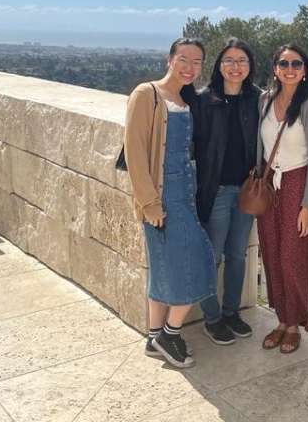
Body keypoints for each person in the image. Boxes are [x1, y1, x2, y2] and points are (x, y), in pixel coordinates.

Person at [123, 37, 216, 369]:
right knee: (201, 261)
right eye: (184, 60)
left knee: (163, 268)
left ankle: (153, 338)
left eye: (197, 62)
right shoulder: (146, 94)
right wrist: (150, 203)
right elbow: (134, 153)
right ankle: (170, 333)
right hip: (162, 199)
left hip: (185, 195)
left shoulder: (182, 98)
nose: (190, 68)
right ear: (170, 59)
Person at [256, 44, 308, 354]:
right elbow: (260, 145)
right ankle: (282, 320)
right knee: (271, 252)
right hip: (270, 184)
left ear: (304, 69)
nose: (290, 68)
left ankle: (296, 323)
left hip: (297, 182)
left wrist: (307, 205)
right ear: (275, 68)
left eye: (297, 63)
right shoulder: (265, 100)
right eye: (284, 63)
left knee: (292, 256)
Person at [192, 38, 260, 345]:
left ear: (250, 66)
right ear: (219, 66)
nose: (235, 67)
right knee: (213, 256)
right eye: (229, 60)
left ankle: (232, 312)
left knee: (237, 255)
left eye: (241, 60)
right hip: (216, 190)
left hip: (247, 191)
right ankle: (212, 317)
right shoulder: (204, 100)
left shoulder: (256, 100)